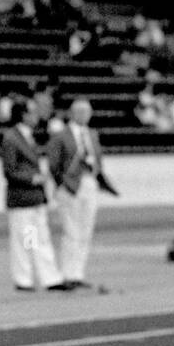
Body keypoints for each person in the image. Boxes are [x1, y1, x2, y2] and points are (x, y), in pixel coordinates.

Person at [47, 98, 119, 288]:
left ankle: (77, 273)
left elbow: (98, 160)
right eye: (80, 112)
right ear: (72, 113)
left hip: (89, 183)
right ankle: (67, 273)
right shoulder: (61, 135)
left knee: (86, 230)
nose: (84, 116)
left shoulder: (92, 134)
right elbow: (54, 164)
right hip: (70, 186)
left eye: (87, 112)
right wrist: (62, 184)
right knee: (71, 231)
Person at [2, 97, 70, 292]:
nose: (36, 116)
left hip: (33, 199)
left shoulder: (26, 136)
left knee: (39, 238)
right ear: (22, 115)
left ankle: (48, 277)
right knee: (26, 240)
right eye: (32, 112)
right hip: (23, 199)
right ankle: (25, 278)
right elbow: (9, 170)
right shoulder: (11, 138)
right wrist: (33, 178)